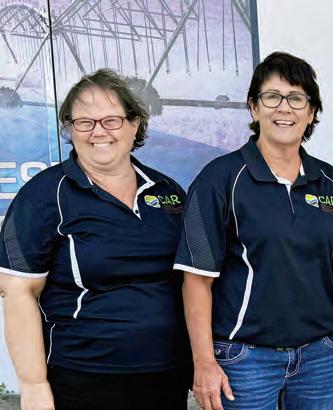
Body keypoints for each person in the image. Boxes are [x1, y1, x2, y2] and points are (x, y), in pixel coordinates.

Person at [175, 51, 333, 410]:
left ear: (311, 112)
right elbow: (197, 280)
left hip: (321, 355)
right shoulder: (219, 179)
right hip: (245, 359)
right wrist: (203, 362)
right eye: (272, 97)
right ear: (254, 108)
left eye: (296, 98)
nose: (284, 108)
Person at [0, 69, 191, 409]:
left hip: (167, 372)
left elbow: (193, 282)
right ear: (70, 129)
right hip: (85, 377)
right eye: (84, 122)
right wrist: (33, 385)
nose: (98, 131)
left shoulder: (168, 191)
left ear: (134, 125)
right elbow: (17, 292)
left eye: (111, 120)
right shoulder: (42, 196)